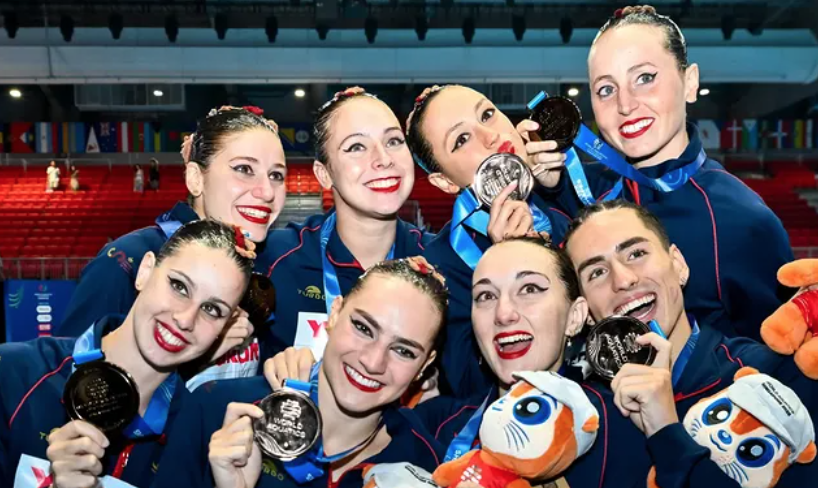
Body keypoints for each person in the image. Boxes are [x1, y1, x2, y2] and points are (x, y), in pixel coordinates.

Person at [266, 239, 654, 488]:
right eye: (485, 296)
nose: (504, 313)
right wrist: (304, 381)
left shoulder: (624, 428)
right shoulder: (432, 428)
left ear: (575, 316)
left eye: (530, 289)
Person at [520, 5, 793, 341]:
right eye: (606, 89)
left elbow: (776, 365)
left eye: (645, 78)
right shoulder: (579, 190)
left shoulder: (742, 221)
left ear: (690, 82)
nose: (625, 104)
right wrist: (546, 189)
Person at [562, 199, 817, 488]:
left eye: (636, 253)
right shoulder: (581, 421)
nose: (623, 280)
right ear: (585, 314)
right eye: (596, 272)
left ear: (678, 265)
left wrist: (665, 431)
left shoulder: (773, 376)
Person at [0, 220, 254, 488]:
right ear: (145, 271)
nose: (185, 319)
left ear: (224, 327)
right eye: (179, 286)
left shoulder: (203, 437)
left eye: (212, 309)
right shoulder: (13, 375)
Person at [153, 257, 448, 488]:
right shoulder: (217, 409)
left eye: (403, 351)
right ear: (334, 314)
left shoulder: (426, 465)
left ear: (425, 365)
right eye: (363, 328)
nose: (373, 362)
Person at [57, 105, 286, 389]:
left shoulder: (262, 262)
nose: (267, 192)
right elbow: (69, 384)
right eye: (244, 169)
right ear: (195, 178)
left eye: (277, 175)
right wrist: (194, 358)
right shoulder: (127, 260)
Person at [405, 84, 572, 397]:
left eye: (487, 114)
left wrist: (561, 190)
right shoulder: (440, 268)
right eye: (462, 139)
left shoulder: (570, 200)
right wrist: (507, 262)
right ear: (444, 181)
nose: (491, 136)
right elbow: (470, 386)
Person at [258, 87, 432, 364]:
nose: (384, 159)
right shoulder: (275, 256)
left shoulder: (442, 259)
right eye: (356, 147)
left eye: (394, 141)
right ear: (324, 174)